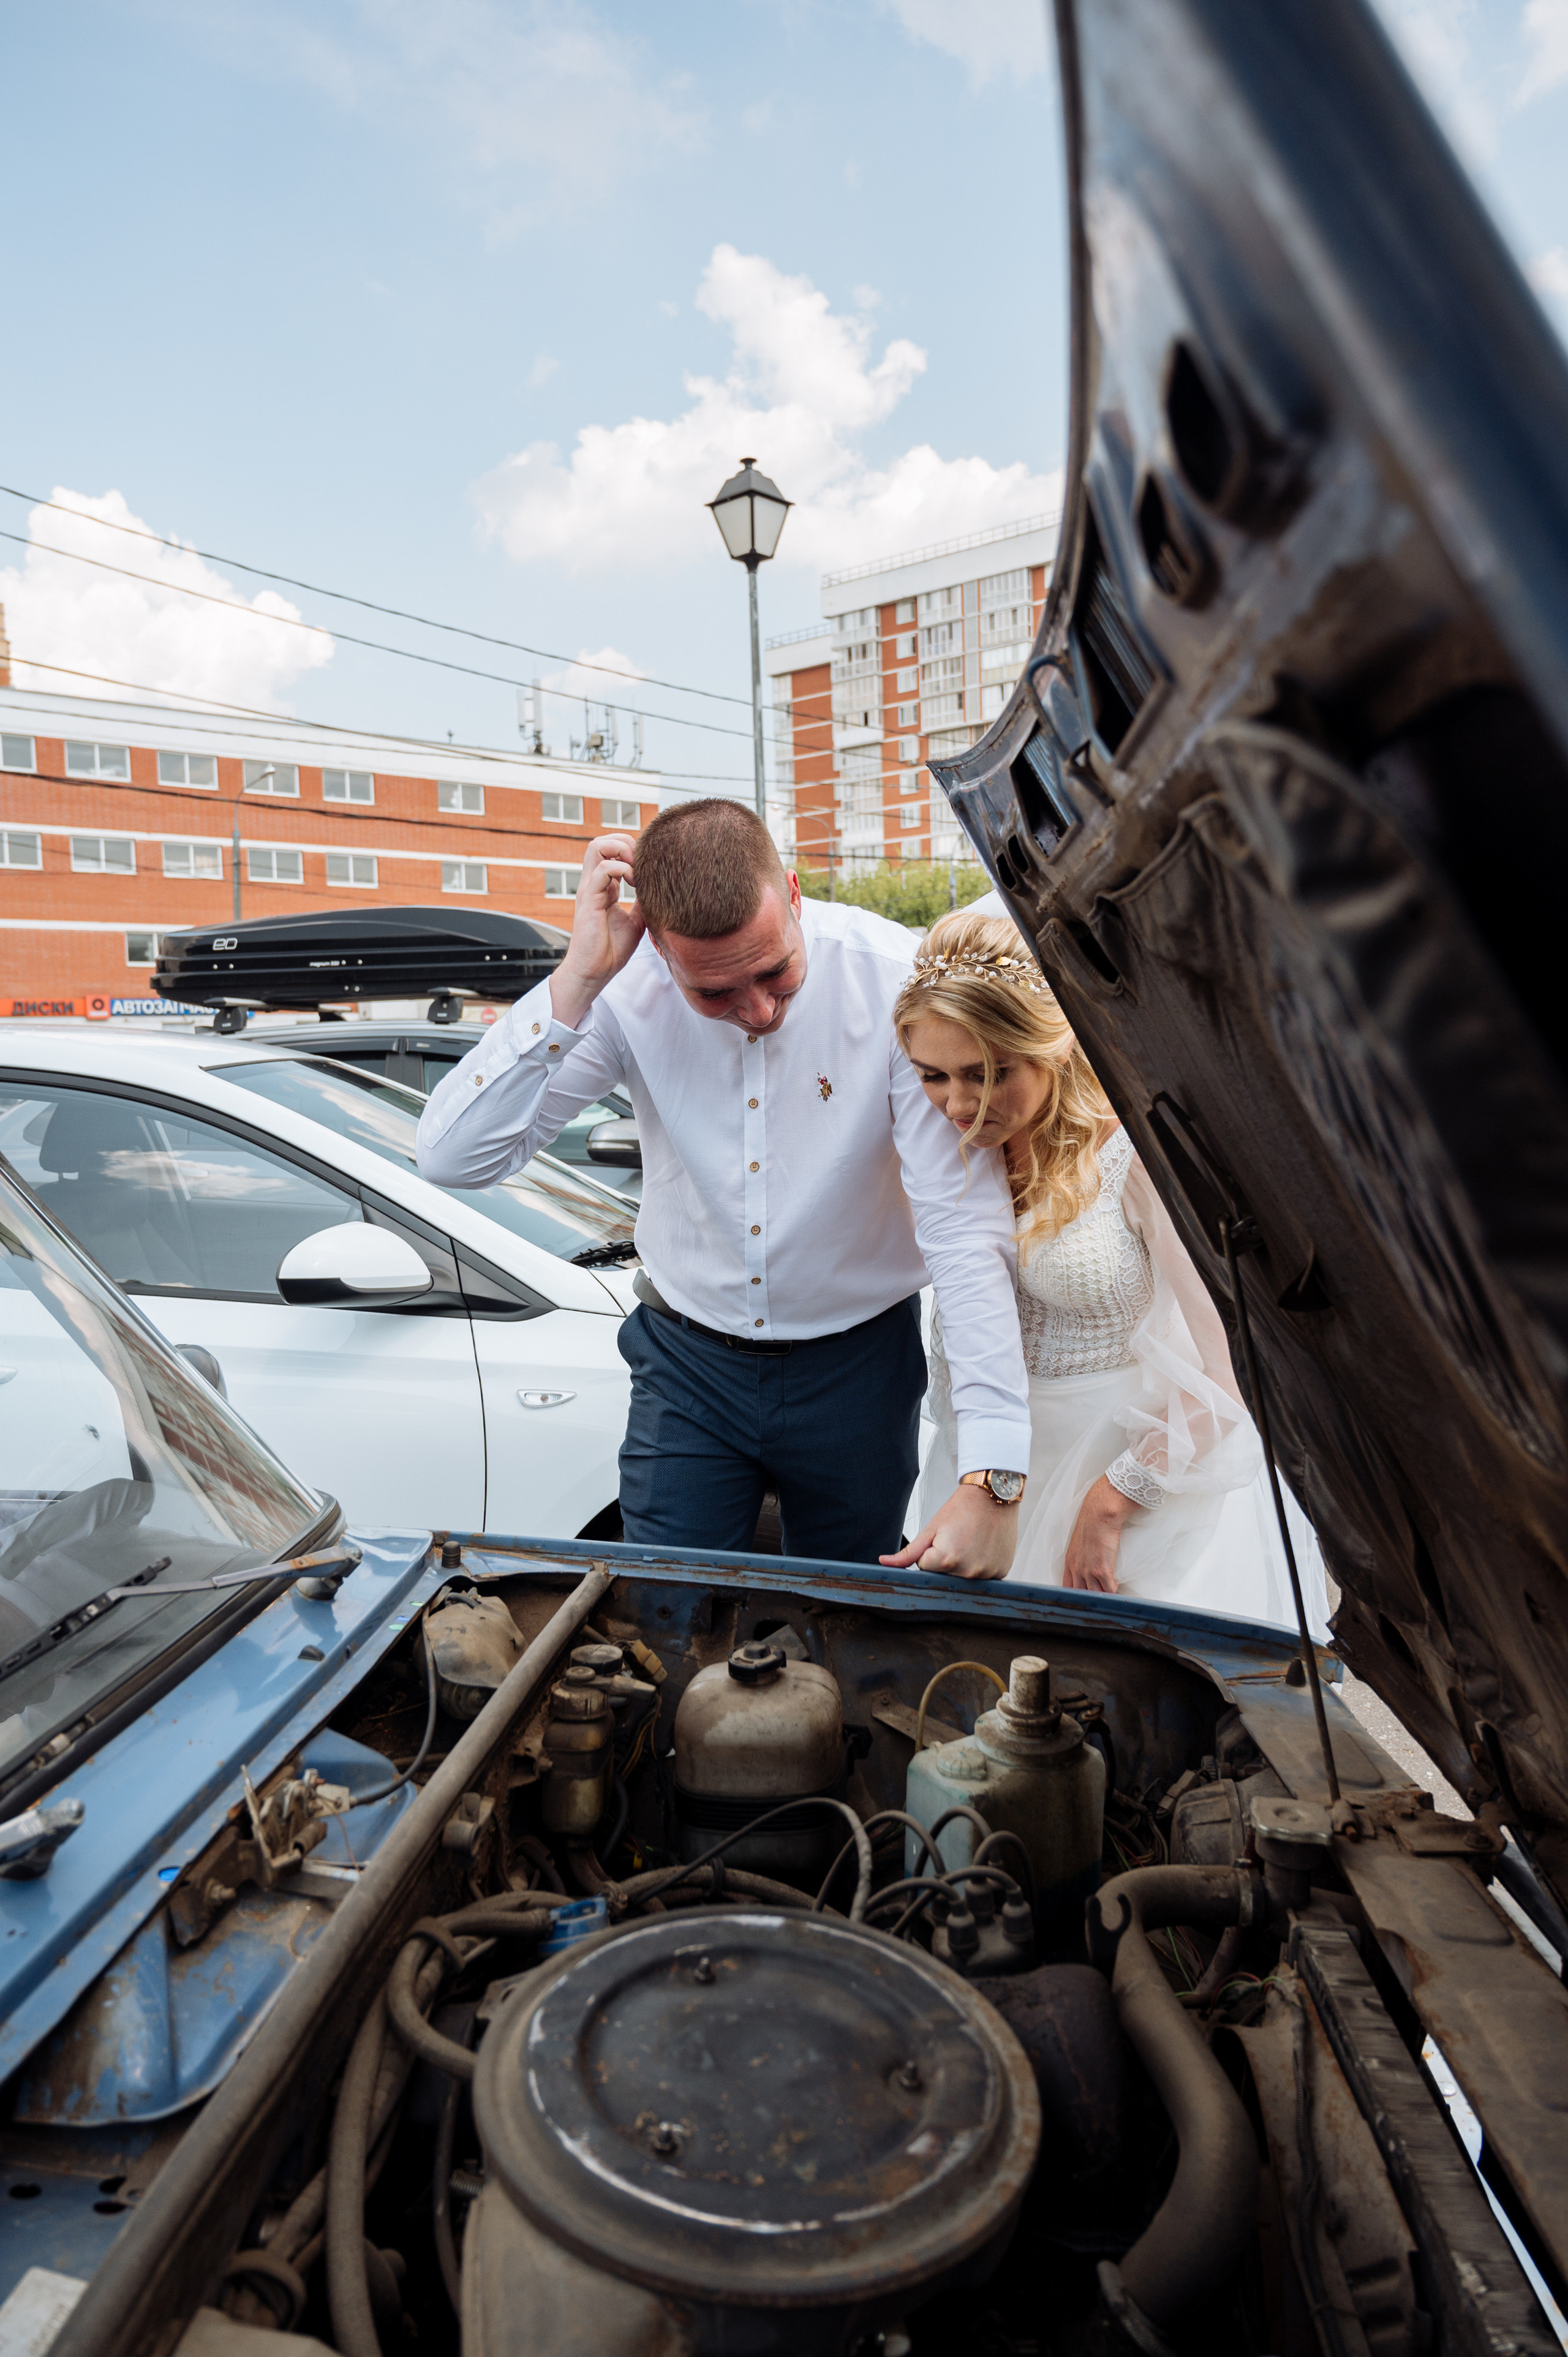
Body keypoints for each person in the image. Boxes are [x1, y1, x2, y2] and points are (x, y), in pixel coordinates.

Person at [416, 801, 1033, 1572]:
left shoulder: (890, 980)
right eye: (714, 993)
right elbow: (455, 1158)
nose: (758, 1009)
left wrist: (994, 1475)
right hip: (687, 1364)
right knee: (665, 1611)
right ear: (660, 952)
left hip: (858, 1370)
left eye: (774, 972)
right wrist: (577, 979)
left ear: (796, 893)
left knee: (852, 1626)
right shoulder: (623, 987)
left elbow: (961, 1224)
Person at [881, 908, 1329, 1629]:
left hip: (1134, 1475)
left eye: (987, 1074)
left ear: (1052, 1047)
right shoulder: (951, 1154)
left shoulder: (1135, 1157)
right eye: (932, 1075)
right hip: (986, 1468)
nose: (958, 1105)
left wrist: (1115, 1498)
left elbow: (1235, 1364)